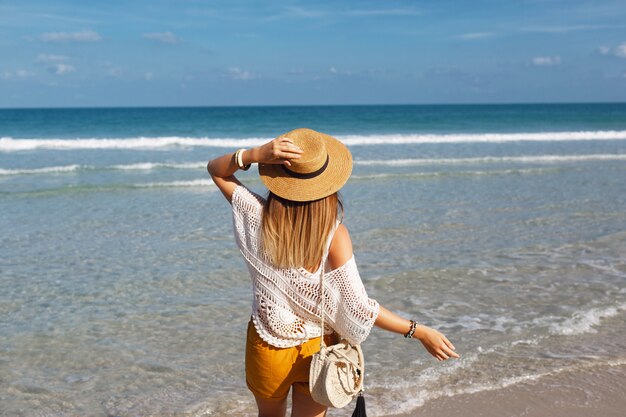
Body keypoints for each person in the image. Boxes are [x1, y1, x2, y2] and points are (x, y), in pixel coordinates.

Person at [207, 128, 459, 417]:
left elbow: (216, 170)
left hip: (267, 345)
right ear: (328, 188)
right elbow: (358, 308)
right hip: (319, 349)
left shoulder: (256, 216)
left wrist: (252, 155)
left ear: (276, 182)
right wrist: (418, 331)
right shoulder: (334, 236)